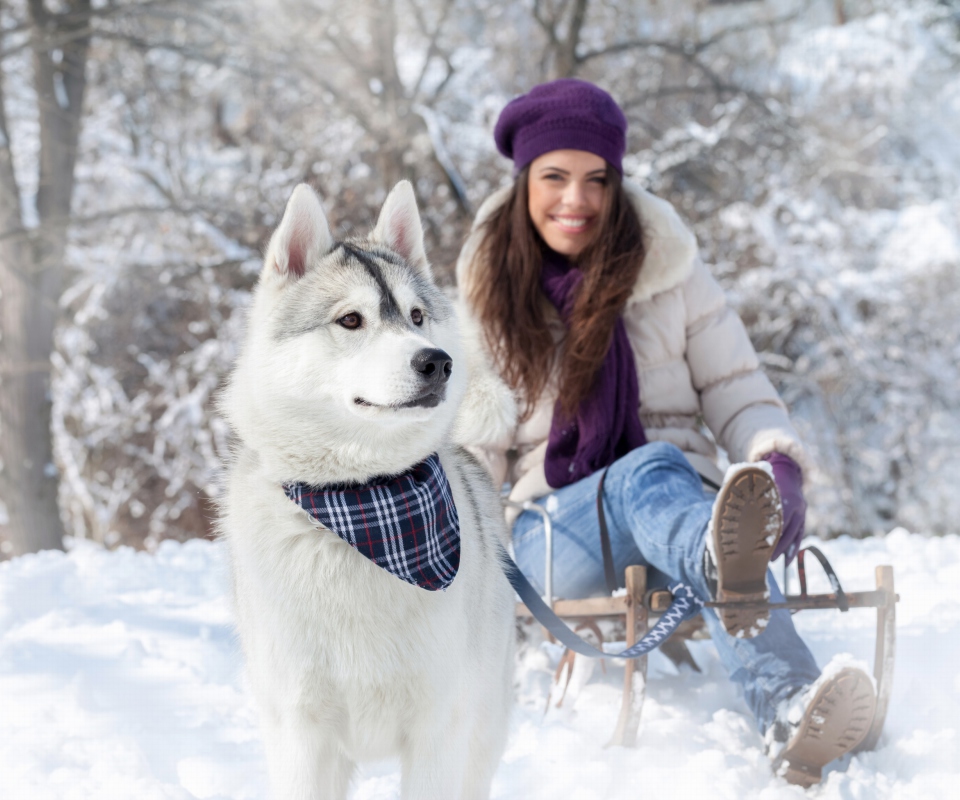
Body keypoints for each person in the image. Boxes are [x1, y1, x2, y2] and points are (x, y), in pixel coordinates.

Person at [456, 79, 876, 787]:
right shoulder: (490, 299)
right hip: (554, 538)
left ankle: (791, 711)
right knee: (658, 476)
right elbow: (469, 459)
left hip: (679, 517)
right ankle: (721, 562)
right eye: (555, 177)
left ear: (618, 185)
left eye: (597, 180)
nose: (577, 201)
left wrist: (776, 457)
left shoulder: (672, 274)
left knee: (674, 492)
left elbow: (736, 388)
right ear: (525, 181)